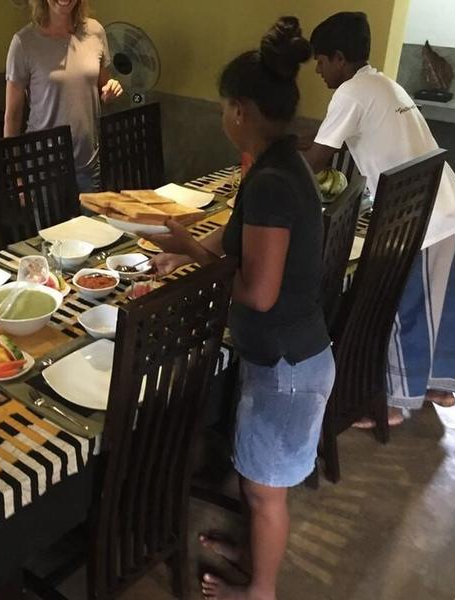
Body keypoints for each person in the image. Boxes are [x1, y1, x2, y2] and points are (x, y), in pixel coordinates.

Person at [147, 18, 333, 600]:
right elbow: (242, 257)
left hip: (287, 367)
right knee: (259, 480)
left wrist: (201, 279)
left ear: (243, 111)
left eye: (227, 104)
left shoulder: (274, 183)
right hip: (285, 359)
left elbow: (259, 292)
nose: (224, 114)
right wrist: (188, 250)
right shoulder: (278, 163)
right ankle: (253, 553)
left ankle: (260, 591)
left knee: (264, 491)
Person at [303, 12, 455, 427]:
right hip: (454, 206)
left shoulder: (350, 92)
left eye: (321, 62)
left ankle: (397, 404)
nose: (319, 71)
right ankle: (436, 385)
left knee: (406, 305)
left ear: (340, 59)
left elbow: (316, 160)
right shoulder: (384, 83)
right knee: (442, 304)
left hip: (423, 218)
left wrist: (274, 168)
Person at [4, 0, 123, 193]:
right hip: (42, 166)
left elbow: (103, 84)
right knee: (52, 225)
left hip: (88, 163)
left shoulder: (95, 32)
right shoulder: (24, 42)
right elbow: (12, 116)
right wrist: (16, 174)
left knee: (92, 224)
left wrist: (110, 88)